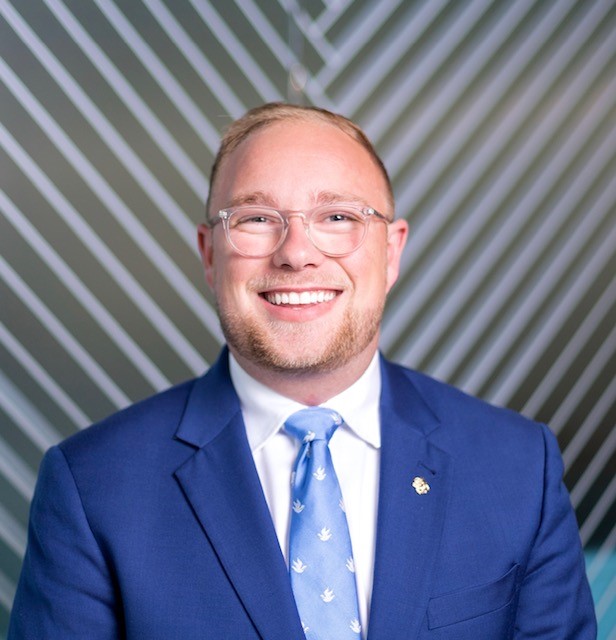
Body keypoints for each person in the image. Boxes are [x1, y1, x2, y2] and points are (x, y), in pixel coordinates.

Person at [9, 103, 596, 639]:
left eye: (337, 216)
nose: (295, 253)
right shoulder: (92, 486)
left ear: (391, 252)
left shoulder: (520, 468)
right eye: (255, 218)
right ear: (209, 254)